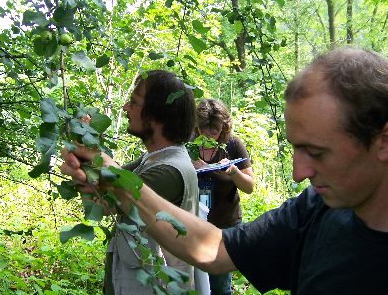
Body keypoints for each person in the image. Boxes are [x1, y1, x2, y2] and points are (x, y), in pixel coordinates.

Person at [61, 47, 388, 294]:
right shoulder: (316, 209)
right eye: (295, 148)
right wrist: (117, 181)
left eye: (316, 152)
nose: (298, 172)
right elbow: (214, 248)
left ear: (383, 141)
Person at [80, 70, 200, 294]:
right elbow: (98, 193)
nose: (125, 108)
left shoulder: (169, 173)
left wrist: (88, 152)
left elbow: (101, 204)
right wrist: (82, 149)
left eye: (134, 102)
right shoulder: (153, 159)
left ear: (157, 115)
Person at [193, 98, 254, 295]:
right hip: (193, 221)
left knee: (219, 284)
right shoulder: (189, 144)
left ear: (223, 127)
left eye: (215, 131)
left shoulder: (233, 144)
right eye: (204, 130)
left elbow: (250, 187)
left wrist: (234, 172)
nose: (209, 135)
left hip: (224, 224)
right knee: (194, 280)